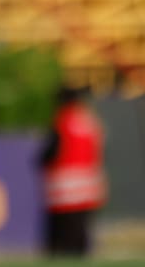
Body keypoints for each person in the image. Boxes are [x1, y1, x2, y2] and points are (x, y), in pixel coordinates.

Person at [38, 84, 106, 257]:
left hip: (64, 183)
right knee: (80, 226)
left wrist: (41, 161)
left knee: (63, 228)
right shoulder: (89, 120)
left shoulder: (62, 120)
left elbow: (52, 150)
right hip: (88, 182)